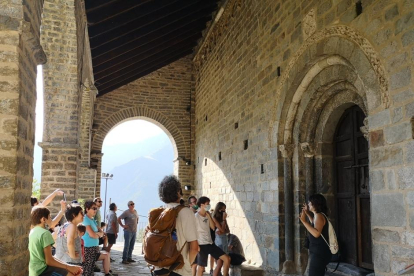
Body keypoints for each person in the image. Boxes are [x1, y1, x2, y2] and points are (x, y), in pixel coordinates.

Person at [156, 175, 199, 276]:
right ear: (178, 192)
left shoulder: (158, 211)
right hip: (179, 269)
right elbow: (194, 247)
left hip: (159, 268)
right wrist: (188, 264)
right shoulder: (186, 213)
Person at [29, 206, 83, 276]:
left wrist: (68, 266)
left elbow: (49, 257)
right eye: (50, 217)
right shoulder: (45, 233)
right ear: (43, 219)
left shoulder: (33, 231)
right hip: (42, 271)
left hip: (34, 270)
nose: (51, 219)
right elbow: (49, 261)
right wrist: (69, 267)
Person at [194, 197, 230, 276]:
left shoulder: (207, 215)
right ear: (202, 205)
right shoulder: (196, 217)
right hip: (201, 244)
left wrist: (209, 216)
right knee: (201, 267)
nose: (209, 205)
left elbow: (213, 227)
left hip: (210, 243)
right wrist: (196, 245)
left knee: (226, 258)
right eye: (207, 204)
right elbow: (192, 232)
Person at [299, 194, 332, 276]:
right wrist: (307, 214)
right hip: (319, 251)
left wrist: (304, 222)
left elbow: (317, 233)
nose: (308, 204)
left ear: (315, 204)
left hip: (319, 253)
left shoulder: (319, 216)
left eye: (310, 203)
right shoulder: (318, 216)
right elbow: (315, 225)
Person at [82, 201, 116, 276]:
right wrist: (99, 234)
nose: (95, 210)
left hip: (94, 248)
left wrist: (99, 233)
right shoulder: (85, 219)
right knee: (88, 270)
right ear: (87, 209)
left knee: (106, 255)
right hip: (88, 249)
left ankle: (107, 273)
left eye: (96, 208)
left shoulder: (92, 219)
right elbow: (92, 235)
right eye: (93, 208)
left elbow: (100, 231)